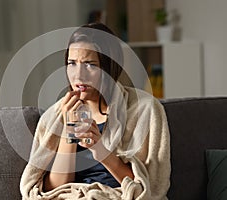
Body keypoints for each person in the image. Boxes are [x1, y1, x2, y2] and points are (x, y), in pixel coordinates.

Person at [20, 23, 170, 200]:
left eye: (90, 64)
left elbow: (148, 189)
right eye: (72, 63)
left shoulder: (145, 110)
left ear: (109, 67)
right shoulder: (54, 116)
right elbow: (54, 191)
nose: (78, 75)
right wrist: (69, 131)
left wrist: (100, 150)